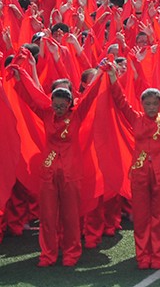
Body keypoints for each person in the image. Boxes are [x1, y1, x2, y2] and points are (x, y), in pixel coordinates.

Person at [10, 55, 102, 267]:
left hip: (71, 172)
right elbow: (30, 97)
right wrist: (19, 77)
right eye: (55, 103)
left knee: (70, 216)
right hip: (49, 170)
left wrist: (102, 75)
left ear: (69, 103)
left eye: (62, 104)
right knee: (48, 216)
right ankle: (48, 254)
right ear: (51, 102)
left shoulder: (76, 115)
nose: (58, 107)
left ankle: (71, 253)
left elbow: (90, 95)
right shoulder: (46, 113)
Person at [107, 61, 160, 270]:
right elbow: (121, 100)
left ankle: (158, 256)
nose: (151, 107)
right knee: (141, 218)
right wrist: (113, 78)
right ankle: (143, 257)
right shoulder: (136, 118)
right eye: (147, 104)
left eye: (155, 103)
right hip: (140, 173)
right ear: (142, 104)